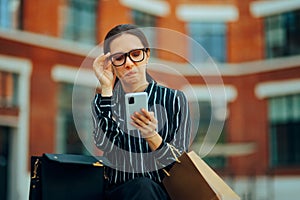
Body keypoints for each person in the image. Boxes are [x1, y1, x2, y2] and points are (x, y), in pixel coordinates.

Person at [91, 24, 191, 200]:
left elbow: (180, 166)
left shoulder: (174, 100)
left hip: (161, 194)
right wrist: (106, 89)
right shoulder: (104, 100)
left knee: (144, 187)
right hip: (118, 193)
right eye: (119, 58)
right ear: (111, 62)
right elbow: (104, 143)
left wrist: (151, 136)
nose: (129, 64)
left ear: (147, 55)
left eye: (136, 54)